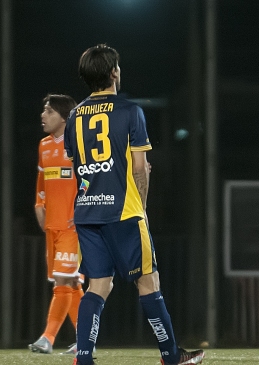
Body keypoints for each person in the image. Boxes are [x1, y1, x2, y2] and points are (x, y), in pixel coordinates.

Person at [63, 44, 204, 365]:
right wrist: (141, 205)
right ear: (114, 73)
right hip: (124, 211)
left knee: (98, 285)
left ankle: (83, 359)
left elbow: (79, 168)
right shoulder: (129, 111)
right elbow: (140, 168)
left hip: (87, 211)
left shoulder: (73, 117)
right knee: (147, 280)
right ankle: (171, 356)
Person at [29, 94, 84, 355]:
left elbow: (90, 180)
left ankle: (47, 339)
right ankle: (86, 339)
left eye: (48, 111)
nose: (43, 115)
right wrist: (39, 205)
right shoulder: (44, 146)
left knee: (63, 280)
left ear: (64, 117)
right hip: (52, 225)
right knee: (71, 283)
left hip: (74, 226)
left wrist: (84, 207)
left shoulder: (80, 145)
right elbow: (42, 182)